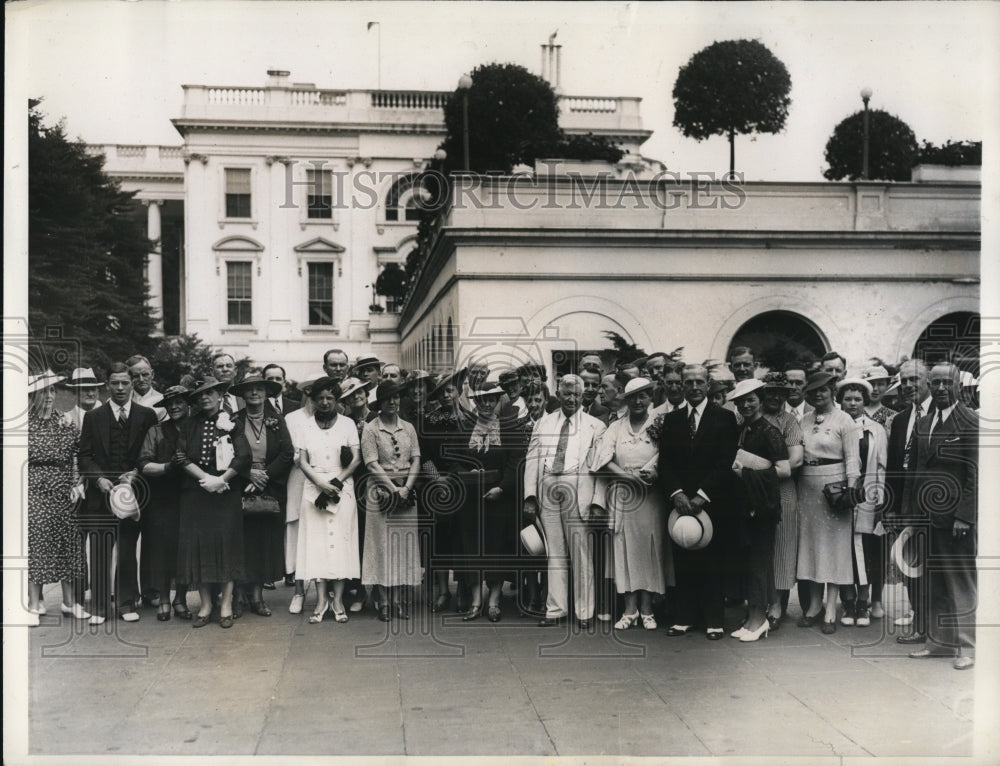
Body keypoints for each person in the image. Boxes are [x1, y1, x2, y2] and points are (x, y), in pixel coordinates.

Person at [657, 363, 740, 641]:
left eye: (698, 382)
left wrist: (702, 495)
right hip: (679, 503)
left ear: (708, 384)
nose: (693, 387)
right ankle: (684, 617)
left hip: (712, 501)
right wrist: (677, 494)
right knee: (683, 556)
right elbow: (665, 462)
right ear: (681, 384)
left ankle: (714, 620)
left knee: (713, 560)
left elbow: (725, 462)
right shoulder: (673, 420)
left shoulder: (724, 418)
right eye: (688, 382)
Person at [908, 363, 977, 670]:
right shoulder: (923, 422)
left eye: (945, 383)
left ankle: (967, 647)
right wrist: (912, 515)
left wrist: (965, 516)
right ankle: (938, 642)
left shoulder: (970, 421)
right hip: (927, 515)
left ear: (958, 386)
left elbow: (975, 474)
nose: (939, 388)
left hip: (955, 519)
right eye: (934, 383)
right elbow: (916, 472)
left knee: (960, 581)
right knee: (933, 581)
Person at [77, 362, 158, 624]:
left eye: (125, 382)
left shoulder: (147, 415)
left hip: (131, 495)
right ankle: (100, 608)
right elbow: (85, 456)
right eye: (115, 383)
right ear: (108, 385)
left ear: (132, 383)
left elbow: (152, 453)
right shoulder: (94, 417)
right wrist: (98, 478)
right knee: (100, 551)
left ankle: (125, 604)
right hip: (100, 495)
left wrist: (136, 472)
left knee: (126, 551)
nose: (121, 388)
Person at [523, 374, 607, 629]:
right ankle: (556, 610)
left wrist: (597, 501)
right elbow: (532, 460)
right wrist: (530, 496)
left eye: (576, 395)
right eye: (567, 394)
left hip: (578, 488)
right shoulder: (544, 423)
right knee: (554, 553)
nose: (571, 399)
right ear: (558, 395)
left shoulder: (595, 426)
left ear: (583, 397)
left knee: (581, 552)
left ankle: (584, 613)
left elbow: (600, 468)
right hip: (548, 487)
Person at [591, 378, 670, 631]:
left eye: (643, 396)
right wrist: (625, 476)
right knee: (623, 549)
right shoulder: (615, 427)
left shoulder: (660, 423)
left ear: (650, 399)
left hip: (651, 496)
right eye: (633, 397)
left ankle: (647, 609)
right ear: (625, 400)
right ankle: (629, 610)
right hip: (624, 495)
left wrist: (654, 471)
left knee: (650, 549)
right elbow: (603, 457)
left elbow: (668, 454)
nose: (638, 401)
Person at [175, 376, 252, 629]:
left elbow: (243, 456)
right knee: (200, 548)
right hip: (197, 493)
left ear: (220, 396)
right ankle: (206, 604)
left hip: (226, 493)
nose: (204, 398)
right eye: (199, 395)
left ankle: (227, 603)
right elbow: (181, 455)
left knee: (227, 546)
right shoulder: (189, 424)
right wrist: (206, 478)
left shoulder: (233, 422)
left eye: (210, 393)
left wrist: (222, 480)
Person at [795, 371, 862, 635]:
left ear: (832, 390)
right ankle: (814, 605)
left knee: (833, 549)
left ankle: (832, 608)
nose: (818, 395)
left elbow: (853, 461)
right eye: (813, 391)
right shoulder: (803, 420)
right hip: (807, 488)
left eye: (823, 390)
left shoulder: (845, 420)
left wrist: (850, 491)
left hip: (834, 489)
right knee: (811, 546)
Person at [452, 379, 521, 622]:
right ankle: (475, 601)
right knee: (472, 547)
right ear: (476, 402)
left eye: (491, 399)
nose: (486, 404)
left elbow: (515, 464)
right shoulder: (465, 428)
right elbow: (454, 459)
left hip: (498, 499)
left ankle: (493, 600)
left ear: (497, 401)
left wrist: (501, 488)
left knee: (496, 546)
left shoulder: (508, 428)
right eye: (481, 400)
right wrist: (466, 472)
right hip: (470, 500)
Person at [295, 377, 363, 623]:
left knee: (342, 543)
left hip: (341, 487)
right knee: (317, 545)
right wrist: (320, 483)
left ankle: (338, 600)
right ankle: (321, 599)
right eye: (320, 398)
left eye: (329, 398)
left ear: (337, 400)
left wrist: (334, 484)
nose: (324, 402)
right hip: (314, 488)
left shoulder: (347, 424)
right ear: (312, 401)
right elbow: (301, 460)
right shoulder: (305, 427)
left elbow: (356, 459)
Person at [728, 379, 790, 642]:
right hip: (746, 504)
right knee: (748, 562)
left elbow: (784, 469)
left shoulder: (769, 431)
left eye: (750, 399)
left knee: (760, 562)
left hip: (763, 506)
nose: (745, 405)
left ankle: (759, 620)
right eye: (741, 401)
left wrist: (748, 474)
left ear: (760, 400)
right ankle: (752, 615)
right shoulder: (744, 429)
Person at [26, 369, 88, 624]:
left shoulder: (64, 422)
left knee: (68, 543)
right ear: (32, 396)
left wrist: (77, 483)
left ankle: (69, 602)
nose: (49, 396)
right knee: (37, 544)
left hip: (63, 489)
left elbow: (78, 455)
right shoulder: (23, 425)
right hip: (33, 490)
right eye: (43, 392)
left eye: (51, 390)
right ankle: (33, 603)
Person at [231, 373, 294, 617]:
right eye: (249, 389)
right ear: (243, 394)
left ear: (267, 393)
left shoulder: (277, 420)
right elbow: (228, 454)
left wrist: (264, 476)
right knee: (240, 543)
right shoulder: (233, 421)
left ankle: (256, 596)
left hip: (269, 488)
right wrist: (248, 475)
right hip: (240, 486)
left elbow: (287, 453)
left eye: (259, 389)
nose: (255, 393)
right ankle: (237, 596)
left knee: (262, 544)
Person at [360, 381, 422, 621]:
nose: (393, 402)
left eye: (396, 398)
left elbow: (416, 458)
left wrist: (406, 488)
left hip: (405, 490)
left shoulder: (408, 427)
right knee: (382, 545)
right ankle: (384, 601)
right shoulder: (371, 429)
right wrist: (393, 489)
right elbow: (371, 463)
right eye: (387, 399)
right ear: (380, 403)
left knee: (401, 546)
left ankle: (399, 601)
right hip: (380, 491)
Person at [883, 360, 930, 641]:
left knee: (934, 568)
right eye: (906, 380)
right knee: (910, 565)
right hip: (904, 504)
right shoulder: (901, 419)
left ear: (927, 381)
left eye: (916, 379)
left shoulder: (941, 416)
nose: (910, 385)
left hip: (933, 505)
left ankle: (937, 627)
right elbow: (892, 467)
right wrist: (889, 508)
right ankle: (920, 624)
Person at [137, 385, 193, 621]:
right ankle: (164, 600)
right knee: (161, 549)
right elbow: (144, 464)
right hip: (162, 497)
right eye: (170, 403)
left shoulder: (197, 428)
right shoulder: (156, 431)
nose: (175, 406)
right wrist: (168, 467)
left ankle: (180, 599)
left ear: (188, 403)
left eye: (179, 401)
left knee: (185, 549)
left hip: (190, 496)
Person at [836, 377, 887, 628]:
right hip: (840, 498)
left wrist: (879, 499)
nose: (852, 403)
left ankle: (863, 603)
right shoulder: (835, 425)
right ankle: (847, 602)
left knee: (865, 551)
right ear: (841, 401)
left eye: (857, 399)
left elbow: (882, 465)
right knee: (842, 551)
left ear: (864, 401)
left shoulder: (875, 429)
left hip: (867, 497)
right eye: (848, 399)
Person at [759, 372, 804, 627]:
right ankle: (757, 602)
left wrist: (759, 471)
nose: (775, 396)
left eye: (780, 392)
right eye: (770, 391)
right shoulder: (748, 416)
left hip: (782, 490)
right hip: (754, 491)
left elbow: (795, 460)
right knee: (759, 547)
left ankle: (777, 605)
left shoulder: (789, 422)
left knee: (783, 546)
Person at [422, 370, 469, 612]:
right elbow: (424, 455)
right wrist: (437, 479)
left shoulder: (470, 420)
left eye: (450, 390)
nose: (446, 396)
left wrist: (461, 478)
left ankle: (463, 590)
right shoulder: (430, 420)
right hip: (437, 487)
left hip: (464, 486)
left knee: (462, 539)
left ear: (459, 392)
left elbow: (474, 455)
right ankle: (443, 591)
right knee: (439, 539)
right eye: (441, 393)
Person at [283, 372, 322, 612]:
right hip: (297, 480)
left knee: (320, 533)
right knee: (297, 534)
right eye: (313, 393)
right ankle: (298, 591)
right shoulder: (292, 418)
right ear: (307, 393)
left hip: (323, 480)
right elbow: (289, 451)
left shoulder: (331, 418)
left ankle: (321, 592)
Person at [339, 376, 375, 611]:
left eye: (360, 391)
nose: (357, 396)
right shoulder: (344, 423)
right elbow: (342, 457)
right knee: (355, 536)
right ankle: (358, 590)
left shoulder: (378, 417)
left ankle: (381, 592)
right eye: (351, 394)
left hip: (377, 483)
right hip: (353, 483)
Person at [60, 367, 104, 432]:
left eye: (93, 389)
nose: (91, 394)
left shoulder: (106, 416)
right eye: (85, 389)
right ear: (75, 392)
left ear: (97, 391)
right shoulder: (66, 419)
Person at [127, 354, 167, 423]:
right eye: (136, 376)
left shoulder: (163, 401)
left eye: (145, 374)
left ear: (152, 374)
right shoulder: (123, 400)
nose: (141, 379)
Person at [859, 365, 896, 432]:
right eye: (871, 384)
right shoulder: (855, 411)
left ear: (887, 386)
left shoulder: (894, 416)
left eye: (880, 384)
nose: (875, 388)